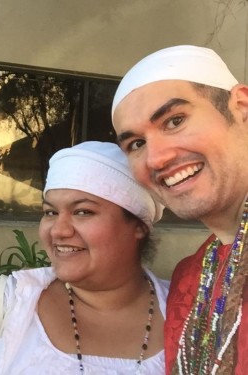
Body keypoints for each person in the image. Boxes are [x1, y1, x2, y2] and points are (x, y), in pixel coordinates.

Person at [0, 141, 168, 374]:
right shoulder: (8, 302)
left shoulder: (187, 313)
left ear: (138, 226)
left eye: (83, 212)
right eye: (50, 213)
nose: (58, 230)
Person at [111, 45, 248, 374]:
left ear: (242, 109)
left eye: (174, 121)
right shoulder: (190, 277)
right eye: (136, 144)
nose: (157, 158)